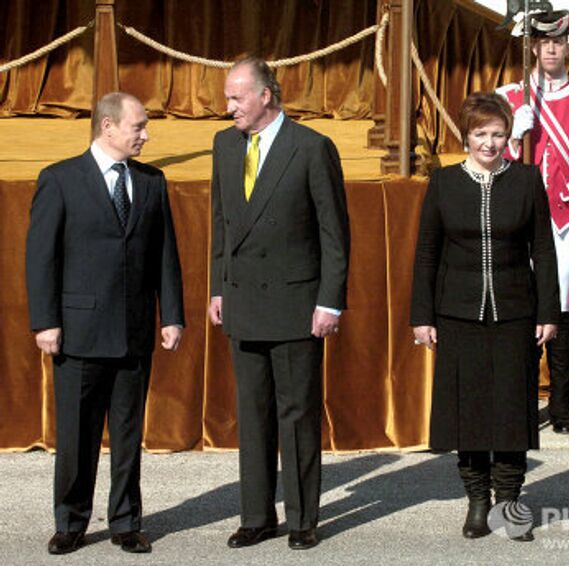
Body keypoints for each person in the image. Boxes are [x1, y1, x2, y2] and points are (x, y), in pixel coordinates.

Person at [25, 92, 185, 555]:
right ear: (108, 127)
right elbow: (41, 259)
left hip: (133, 332)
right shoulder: (60, 179)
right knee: (77, 435)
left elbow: (164, 255)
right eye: (138, 126)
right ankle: (72, 521)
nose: (146, 135)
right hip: (78, 333)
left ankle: (126, 521)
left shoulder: (152, 182)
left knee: (129, 433)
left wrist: (171, 315)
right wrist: (45, 322)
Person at [208, 56, 349, 551]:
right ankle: (256, 515)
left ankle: (303, 517)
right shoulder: (225, 146)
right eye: (228, 98)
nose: (229, 109)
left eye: (236, 97)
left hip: (295, 305)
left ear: (266, 95)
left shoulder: (311, 148)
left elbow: (334, 233)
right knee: (253, 415)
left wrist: (330, 301)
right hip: (244, 301)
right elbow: (222, 223)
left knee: (297, 415)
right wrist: (218, 287)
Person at [410, 92, 559, 540]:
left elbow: (544, 251)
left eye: (497, 134)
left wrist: (548, 311)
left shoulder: (527, 180)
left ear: (508, 135)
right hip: (457, 313)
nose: (490, 143)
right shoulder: (444, 182)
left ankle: (509, 504)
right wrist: (423, 316)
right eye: (480, 134)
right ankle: (477, 502)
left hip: (516, 311)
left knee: (512, 412)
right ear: (466, 135)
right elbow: (426, 253)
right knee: (469, 412)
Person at [496, 10, 569, 433]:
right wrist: (512, 137)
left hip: (565, 219)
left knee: (560, 311)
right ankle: (525, 403)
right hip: (518, 221)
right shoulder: (508, 98)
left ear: (568, 47)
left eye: (558, 42)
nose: (550, 49)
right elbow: (490, 164)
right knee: (522, 310)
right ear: (532, 45)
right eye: (543, 41)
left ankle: (560, 404)